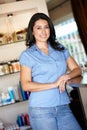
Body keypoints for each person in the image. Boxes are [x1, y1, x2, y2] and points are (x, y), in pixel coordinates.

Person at [19, 12, 82, 130]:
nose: (43, 31)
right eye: (38, 28)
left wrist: (65, 76)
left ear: (50, 29)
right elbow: (26, 85)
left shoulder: (60, 49)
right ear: (32, 31)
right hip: (41, 110)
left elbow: (77, 69)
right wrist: (54, 84)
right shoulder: (27, 55)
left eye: (46, 27)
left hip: (63, 106)